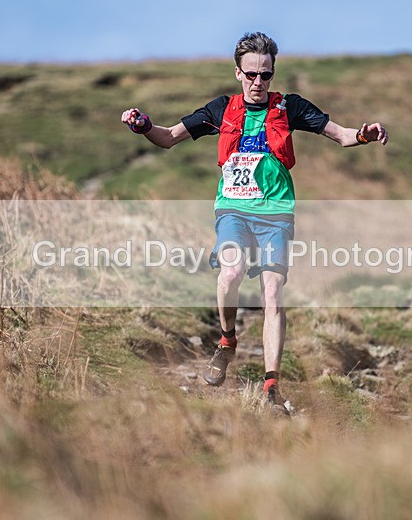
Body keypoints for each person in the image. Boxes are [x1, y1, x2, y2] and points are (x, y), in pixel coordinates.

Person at [121, 32, 388, 416]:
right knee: (229, 274)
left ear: (273, 74)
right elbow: (167, 138)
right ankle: (227, 341)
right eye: (251, 75)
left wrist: (365, 134)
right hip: (233, 210)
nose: (258, 83)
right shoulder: (220, 109)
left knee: (272, 292)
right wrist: (143, 125)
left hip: (276, 214)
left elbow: (342, 135)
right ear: (237, 73)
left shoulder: (290, 107)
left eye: (266, 75)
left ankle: (271, 387)